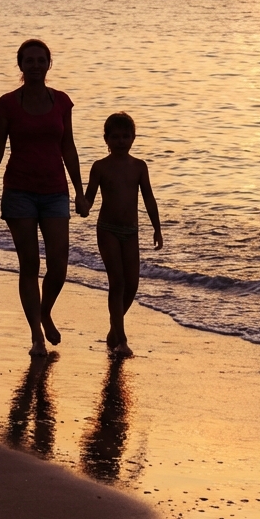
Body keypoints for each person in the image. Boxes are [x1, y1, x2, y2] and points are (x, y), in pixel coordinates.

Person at [0, 39, 88, 356]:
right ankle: (36, 335)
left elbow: (69, 148)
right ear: (21, 64)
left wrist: (80, 192)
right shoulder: (8, 103)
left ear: (49, 64)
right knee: (29, 264)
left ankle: (45, 311)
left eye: (41, 60)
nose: (36, 65)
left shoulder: (63, 102)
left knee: (59, 265)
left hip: (55, 192)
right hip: (19, 192)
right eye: (30, 60)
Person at [83, 112, 162, 358]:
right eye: (115, 137)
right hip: (107, 229)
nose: (120, 141)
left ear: (133, 138)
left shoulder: (139, 167)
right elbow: (88, 199)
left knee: (132, 285)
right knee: (117, 282)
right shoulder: (100, 167)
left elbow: (148, 197)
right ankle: (122, 338)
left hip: (131, 231)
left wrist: (157, 227)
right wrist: (80, 203)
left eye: (125, 136)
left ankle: (113, 327)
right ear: (106, 139)